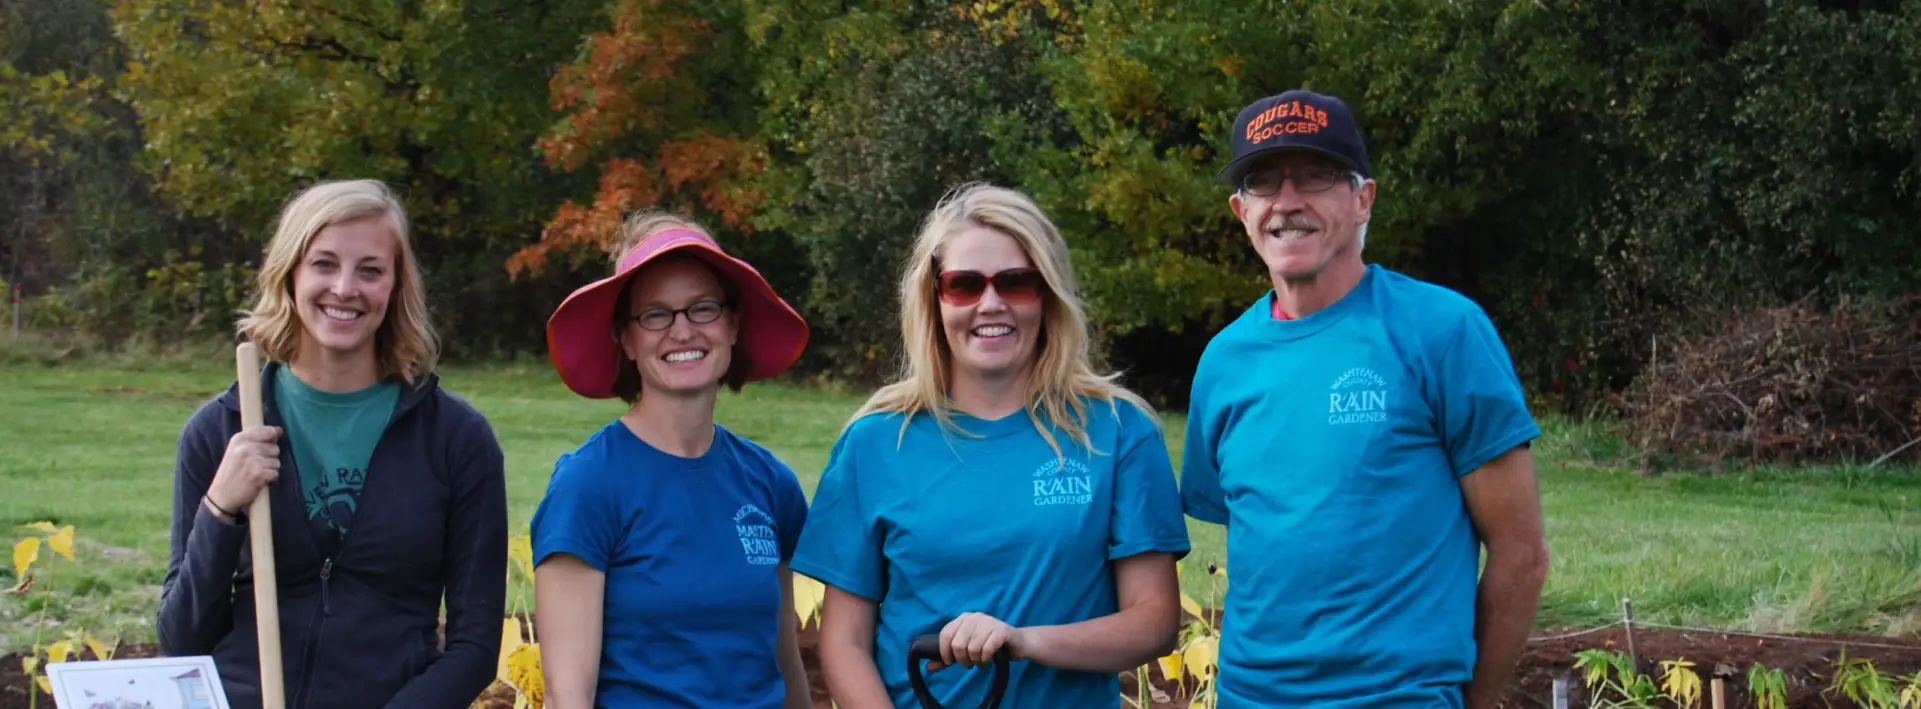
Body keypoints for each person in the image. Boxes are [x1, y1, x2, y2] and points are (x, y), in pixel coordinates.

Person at [1178, 87, 1552, 708]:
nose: (1287, 202)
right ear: (1241, 211)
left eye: (1316, 177)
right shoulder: (1223, 362)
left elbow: (1522, 554)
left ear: (1362, 200)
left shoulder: (1441, 332)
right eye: (1265, 183)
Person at [792, 182, 1191, 709]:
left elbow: (1154, 622)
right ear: (934, 299)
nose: (991, 304)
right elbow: (843, 642)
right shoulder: (875, 441)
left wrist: (1024, 641)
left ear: (1047, 295)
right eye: (964, 285)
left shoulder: (1116, 432)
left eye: (1016, 282)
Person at [158, 179, 509, 709]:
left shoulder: (456, 439)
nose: (345, 288)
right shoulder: (221, 429)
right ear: (291, 273)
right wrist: (220, 508)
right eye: (324, 263)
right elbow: (181, 639)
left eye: (370, 269)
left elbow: (476, 646)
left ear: (395, 286)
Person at [529, 211, 814, 709]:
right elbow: (566, 697)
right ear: (627, 339)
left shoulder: (770, 484)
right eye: (655, 315)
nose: (682, 331)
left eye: (702, 309)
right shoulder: (590, 485)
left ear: (732, 325)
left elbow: (786, 668)